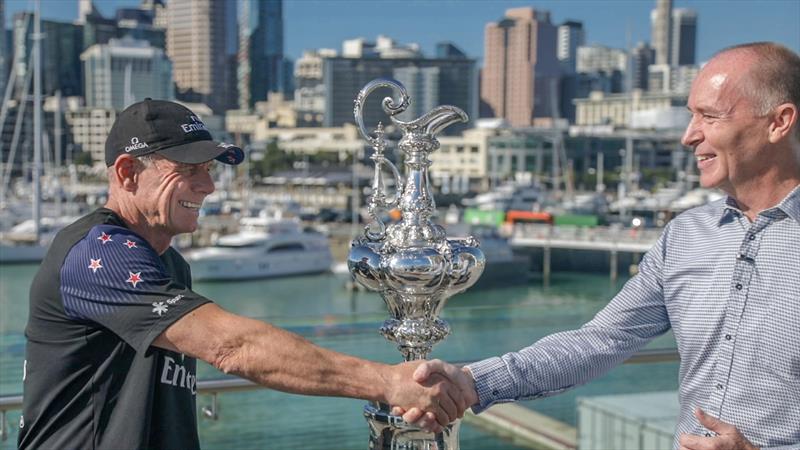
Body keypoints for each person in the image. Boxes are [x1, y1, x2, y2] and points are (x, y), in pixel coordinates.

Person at [401, 42, 800, 450]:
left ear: (779, 122)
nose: (688, 136)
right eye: (690, 116)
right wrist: (472, 383)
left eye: (709, 117)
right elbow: (599, 341)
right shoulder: (685, 235)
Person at [18, 99, 467, 449]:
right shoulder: (99, 252)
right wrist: (388, 383)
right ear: (127, 172)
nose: (209, 185)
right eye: (188, 169)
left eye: (209, 169)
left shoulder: (169, 263)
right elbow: (232, 347)